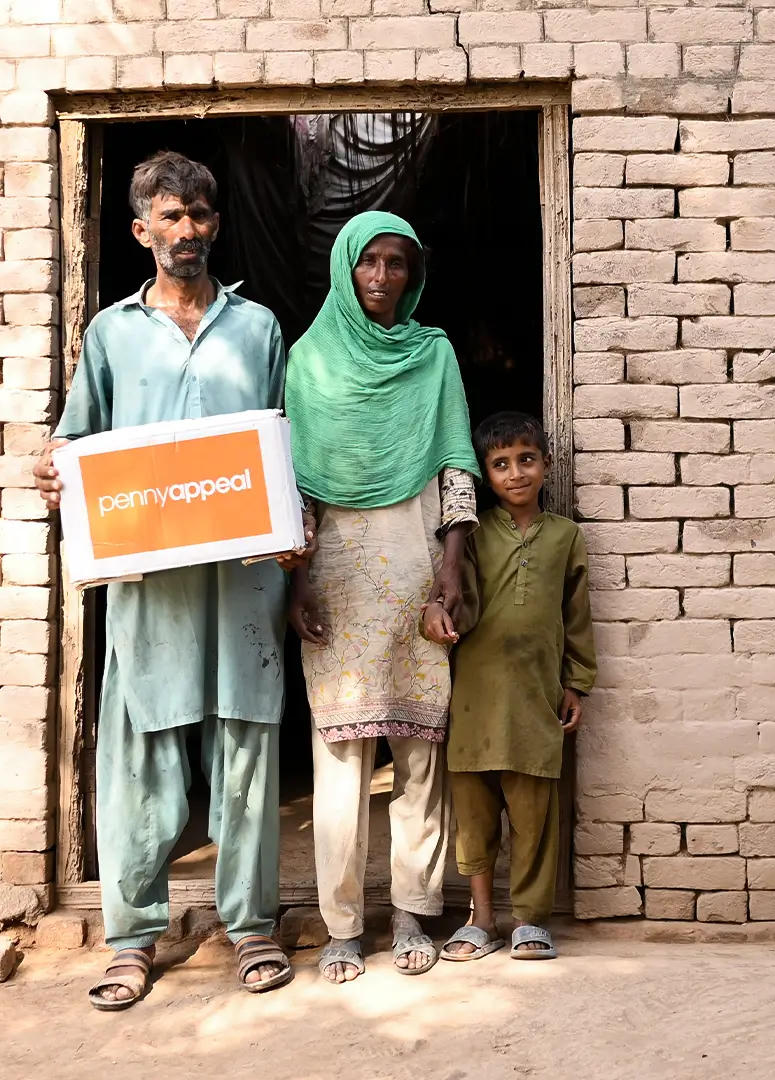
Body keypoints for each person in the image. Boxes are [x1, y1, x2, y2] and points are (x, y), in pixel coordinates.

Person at [35, 151, 301, 1009]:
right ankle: (134, 938)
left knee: (248, 753)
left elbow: (288, 444)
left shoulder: (258, 328)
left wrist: (296, 527)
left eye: (199, 216)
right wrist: (59, 474)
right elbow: (78, 443)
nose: (186, 231)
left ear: (215, 227)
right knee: (142, 753)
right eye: (170, 216)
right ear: (141, 230)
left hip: (243, 579)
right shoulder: (110, 334)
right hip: (151, 583)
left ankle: (251, 926)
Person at [284, 211, 479, 983]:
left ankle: (411, 912)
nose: (383, 278)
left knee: (420, 753)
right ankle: (340, 925)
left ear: (415, 273)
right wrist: (295, 584)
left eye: (399, 264)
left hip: (417, 568)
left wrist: (452, 566)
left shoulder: (433, 356)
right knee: (339, 758)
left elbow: (457, 463)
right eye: (369, 263)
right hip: (334, 574)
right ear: (344, 269)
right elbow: (296, 488)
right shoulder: (309, 361)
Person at [425, 411, 597, 962]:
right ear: (485, 476)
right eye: (500, 464)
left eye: (526, 459)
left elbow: (578, 619)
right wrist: (435, 614)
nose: (515, 473)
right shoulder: (472, 538)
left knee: (534, 817)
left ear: (547, 464)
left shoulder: (566, 537)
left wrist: (577, 683)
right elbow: (456, 596)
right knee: (474, 819)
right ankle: (482, 920)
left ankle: (530, 920)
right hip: (475, 699)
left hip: (536, 699)